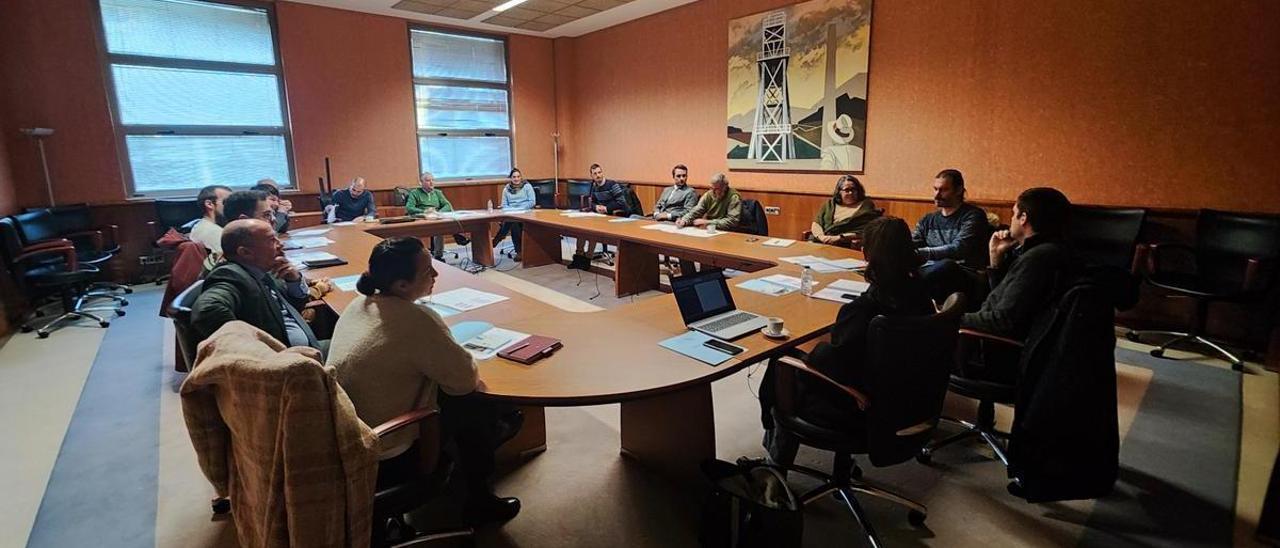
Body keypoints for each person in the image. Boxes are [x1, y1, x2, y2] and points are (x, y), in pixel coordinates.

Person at [327, 237, 521, 524]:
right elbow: (464, 380)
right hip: (386, 451)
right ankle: (479, 500)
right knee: (474, 403)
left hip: (345, 434)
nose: (436, 275)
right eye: (428, 270)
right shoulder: (416, 319)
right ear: (402, 285)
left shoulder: (360, 304)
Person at [759, 217, 935, 466]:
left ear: (866, 255)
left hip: (858, 407)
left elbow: (834, 364)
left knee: (782, 360)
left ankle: (775, 465)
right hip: (906, 400)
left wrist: (814, 349)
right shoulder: (922, 296)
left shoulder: (865, 309)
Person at [960, 187, 1074, 384]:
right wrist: (996, 261)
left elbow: (1002, 321)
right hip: (1009, 348)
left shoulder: (1038, 259)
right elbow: (1002, 302)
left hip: (998, 353)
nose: (1011, 219)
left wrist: (947, 317)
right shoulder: (1051, 251)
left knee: (912, 338)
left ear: (1023, 218)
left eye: (1013, 213)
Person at [190, 219, 325, 354]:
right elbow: (206, 310)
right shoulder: (231, 275)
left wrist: (293, 280)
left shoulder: (263, 270)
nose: (280, 244)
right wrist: (256, 353)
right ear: (245, 252)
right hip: (291, 364)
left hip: (309, 348)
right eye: (272, 240)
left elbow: (294, 304)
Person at [912, 169, 991, 302]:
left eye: (943, 190)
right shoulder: (928, 219)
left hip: (965, 274)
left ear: (959, 190)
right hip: (931, 272)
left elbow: (959, 248)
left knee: (946, 266)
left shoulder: (973, 215)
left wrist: (919, 253)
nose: (937, 195)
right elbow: (914, 242)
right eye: (935, 189)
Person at [571, 163, 628, 268]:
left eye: (599, 172)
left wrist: (606, 208)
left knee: (593, 230)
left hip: (612, 216)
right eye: (595, 174)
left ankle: (588, 258)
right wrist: (596, 207)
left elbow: (622, 203)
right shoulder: (594, 186)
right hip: (599, 215)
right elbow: (591, 202)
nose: (598, 175)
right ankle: (579, 256)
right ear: (592, 176)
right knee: (581, 228)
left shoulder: (612, 185)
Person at [404, 171, 469, 259]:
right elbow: (409, 208)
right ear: (421, 182)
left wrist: (439, 212)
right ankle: (457, 236)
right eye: (428, 180)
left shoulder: (437, 193)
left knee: (441, 226)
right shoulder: (415, 193)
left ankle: (439, 254)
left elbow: (448, 205)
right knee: (439, 227)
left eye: (432, 180)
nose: (431, 182)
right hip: (423, 218)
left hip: (437, 216)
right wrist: (424, 211)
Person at [652, 164, 701, 274]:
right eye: (678, 176)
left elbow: (689, 211)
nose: (682, 178)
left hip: (673, 221)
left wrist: (668, 215)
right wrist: (656, 213)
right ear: (673, 177)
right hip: (658, 219)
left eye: (684, 176)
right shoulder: (667, 190)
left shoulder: (690, 192)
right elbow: (658, 204)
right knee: (634, 218)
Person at [808, 175, 880, 247]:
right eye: (847, 190)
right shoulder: (830, 204)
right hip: (821, 241)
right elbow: (817, 223)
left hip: (845, 244)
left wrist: (839, 238)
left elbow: (865, 230)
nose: (850, 193)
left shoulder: (866, 206)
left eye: (853, 189)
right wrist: (821, 237)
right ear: (839, 192)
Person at [491, 168, 535, 261]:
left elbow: (532, 202)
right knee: (513, 222)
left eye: (518, 176)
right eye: (514, 177)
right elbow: (504, 204)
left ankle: (498, 238)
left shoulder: (527, 186)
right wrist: (512, 210)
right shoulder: (506, 189)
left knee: (511, 222)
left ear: (521, 177)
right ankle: (519, 252)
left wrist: (519, 209)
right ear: (511, 178)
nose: (516, 179)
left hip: (525, 212)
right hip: (511, 213)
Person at [677, 172, 741, 231]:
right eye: (711, 188)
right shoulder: (709, 194)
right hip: (711, 229)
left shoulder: (733, 197)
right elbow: (697, 210)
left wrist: (708, 222)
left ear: (724, 187)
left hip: (728, 231)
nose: (713, 191)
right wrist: (684, 220)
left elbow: (732, 221)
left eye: (716, 189)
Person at [189, 184, 231, 257]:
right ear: (209, 204)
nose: (232, 207)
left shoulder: (201, 226)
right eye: (227, 202)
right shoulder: (214, 232)